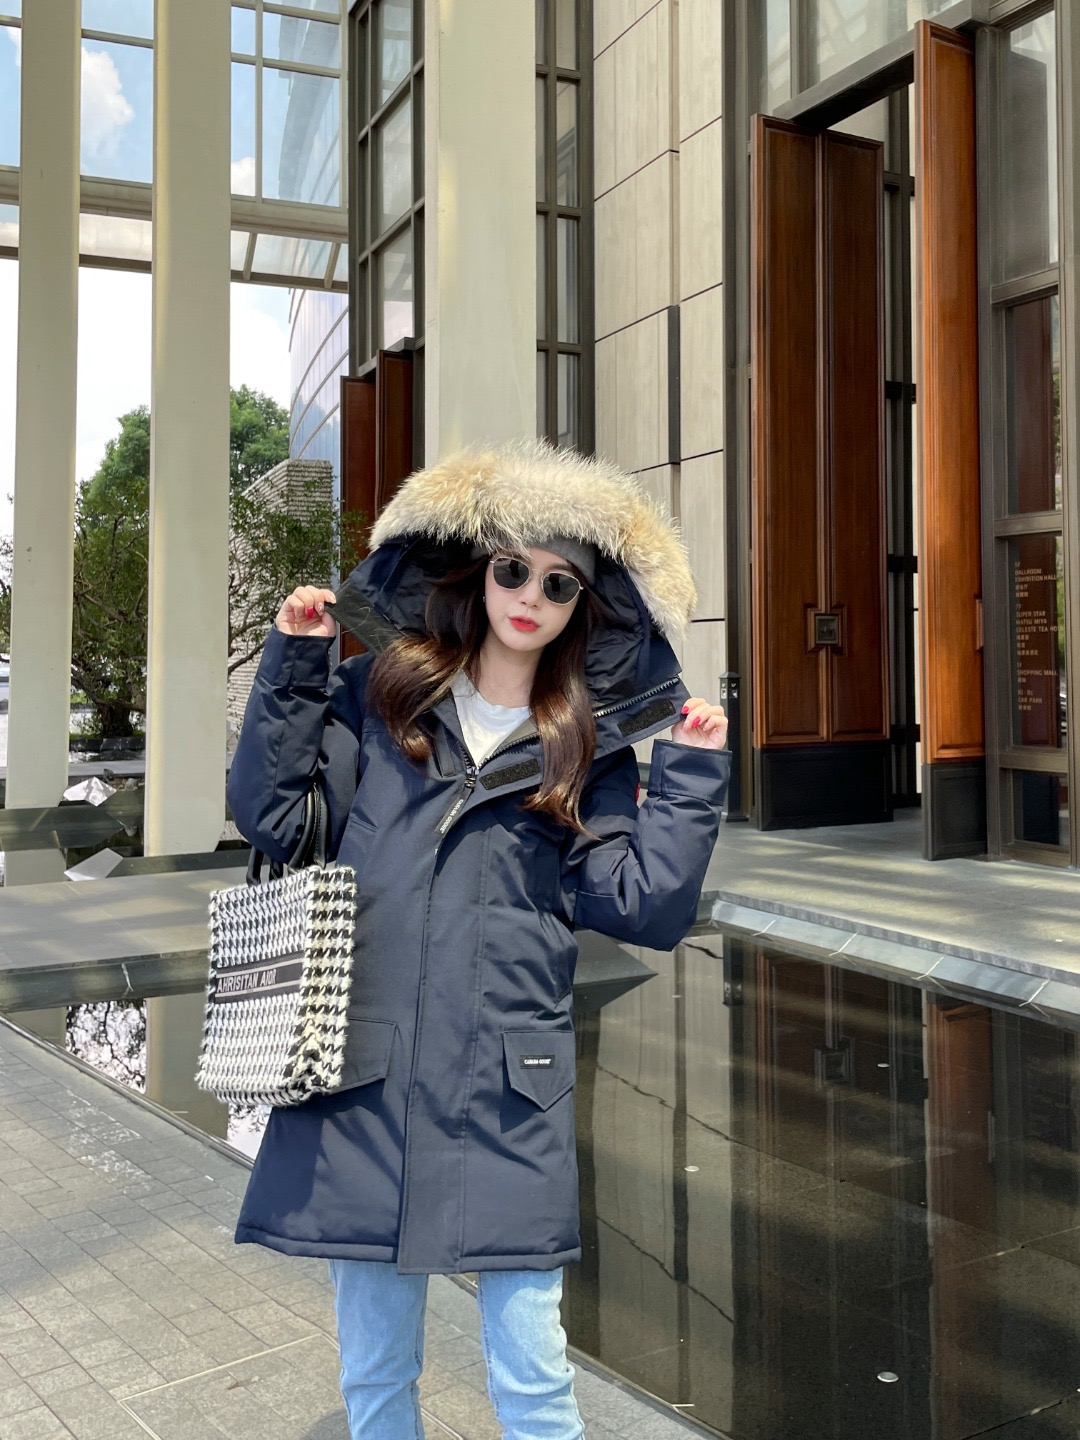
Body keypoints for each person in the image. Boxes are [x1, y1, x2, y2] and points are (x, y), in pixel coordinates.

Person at [227, 439, 730, 1440]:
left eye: (559, 582)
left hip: (507, 1087)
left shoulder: (586, 751)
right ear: (478, 573)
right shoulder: (378, 699)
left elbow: (641, 906)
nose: (530, 596)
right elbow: (273, 814)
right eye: (512, 570)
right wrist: (293, 665)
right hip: (361, 1072)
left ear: (583, 604)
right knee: (376, 1368)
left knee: (534, 1378)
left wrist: (688, 780)